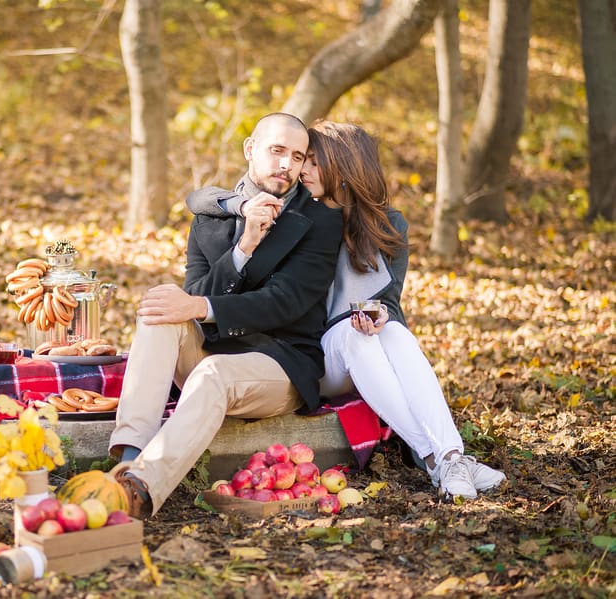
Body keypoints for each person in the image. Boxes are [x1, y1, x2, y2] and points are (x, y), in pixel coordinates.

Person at [186, 120, 505, 499]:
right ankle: (435, 456)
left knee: (390, 333)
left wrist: (382, 316)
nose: (301, 169)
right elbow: (201, 199)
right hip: (316, 358)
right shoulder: (301, 218)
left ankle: (449, 457)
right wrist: (236, 203)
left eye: (314, 162)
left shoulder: (387, 226)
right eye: (304, 159)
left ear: (345, 168)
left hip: (363, 349)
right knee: (355, 339)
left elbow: (390, 303)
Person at [108, 113, 344, 518]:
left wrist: (200, 307)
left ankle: (139, 489)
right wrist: (243, 250)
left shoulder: (321, 222)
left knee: (213, 371)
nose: (287, 164)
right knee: (162, 309)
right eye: (276, 151)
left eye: (297, 156)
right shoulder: (210, 218)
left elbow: (284, 301)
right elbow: (195, 293)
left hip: (280, 363)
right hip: (214, 349)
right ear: (251, 150)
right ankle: (126, 459)